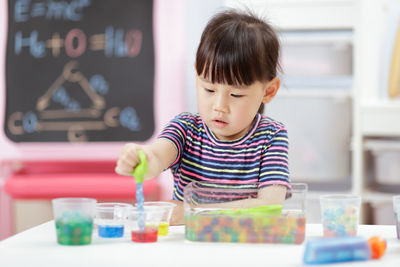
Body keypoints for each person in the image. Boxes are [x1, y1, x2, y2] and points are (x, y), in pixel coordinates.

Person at [115, 9, 291, 225]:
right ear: (197, 74)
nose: (219, 106)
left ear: (268, 91)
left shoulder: (271, 136)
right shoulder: (186, 129)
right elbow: (156, 158)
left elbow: (270, 206)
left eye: (236, 94)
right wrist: (139, 158)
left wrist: (189, 212)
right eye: (209, 89)